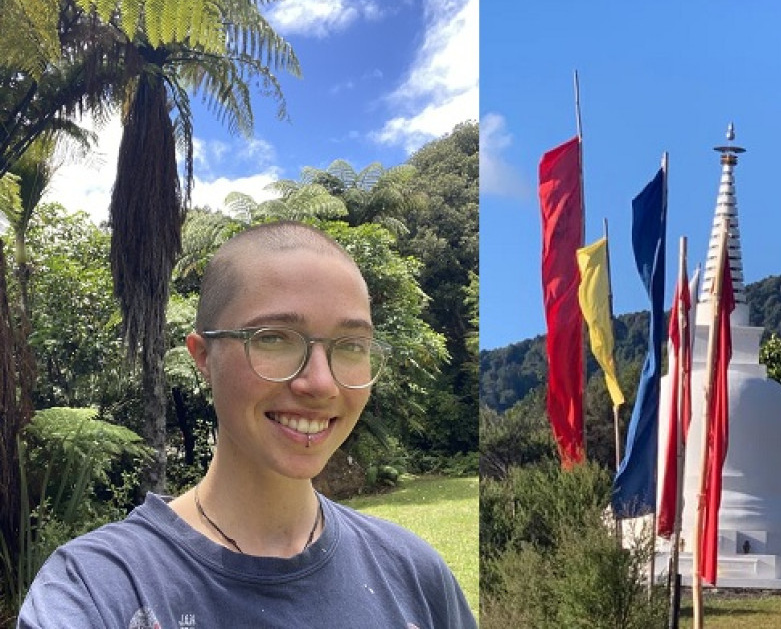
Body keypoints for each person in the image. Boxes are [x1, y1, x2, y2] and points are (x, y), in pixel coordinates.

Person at [19, 221, 476, 628]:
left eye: (352, 345)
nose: (320, 383)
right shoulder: (99, 590)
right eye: (274, 338)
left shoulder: (414, 574)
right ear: (203, 357)